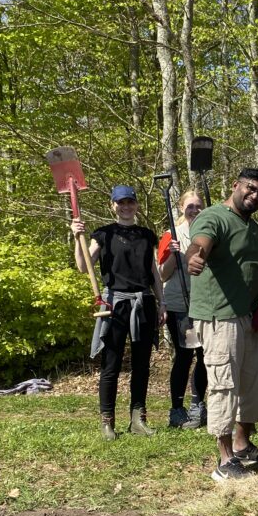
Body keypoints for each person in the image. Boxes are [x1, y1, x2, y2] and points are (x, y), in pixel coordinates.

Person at [185, 168, 258, 481]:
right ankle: (225, 460)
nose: (254, 196)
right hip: (220, 316)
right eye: (250, 188)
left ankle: (242, 445)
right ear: (236, 185)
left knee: (256, 384)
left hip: (250, 316)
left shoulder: (253, 229)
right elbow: (200, 242)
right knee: (224, 384)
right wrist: (195, 255)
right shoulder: (214, 217)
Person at [71, 185, 166, 440]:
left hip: (143, 302)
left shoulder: (147, 235)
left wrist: (162, 303)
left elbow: (154, 272)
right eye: (120, 203)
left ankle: (138, 419)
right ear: (112, 205)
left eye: (130, 202)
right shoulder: (103, 234)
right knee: (110, 365)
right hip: (115, 305)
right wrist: (76, 238)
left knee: (141, 365)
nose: (126, 207)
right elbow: (83, 266)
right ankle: (107, 422)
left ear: (136, 205)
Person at [158, 189, 207, 429]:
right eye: (190, 206)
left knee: (205, 356)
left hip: (203, 303)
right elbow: (161, 274)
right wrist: (173, 255)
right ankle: (177, 408)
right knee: (184, 356)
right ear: (181, 208)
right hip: (179, 305)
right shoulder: (171, 235)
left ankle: (199, 404)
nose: (195, 210)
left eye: (198, 206)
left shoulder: (209, 233)